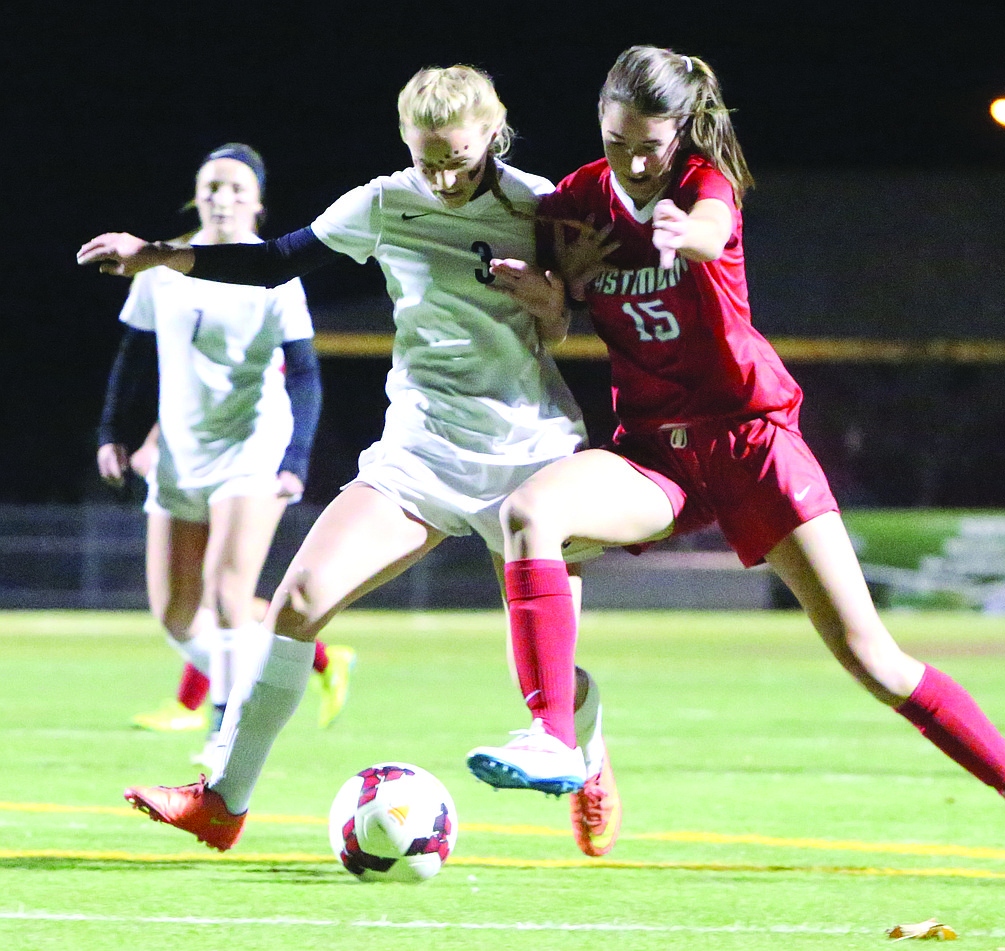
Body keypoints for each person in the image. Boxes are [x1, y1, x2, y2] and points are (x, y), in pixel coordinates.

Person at [464, 46, 1005, 878]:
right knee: (528, 516)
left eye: (649, 144)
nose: (632, 158)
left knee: (872, 656)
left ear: (682, 132)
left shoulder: (702, 184)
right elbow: (557, 324)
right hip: (655, 452)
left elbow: (712, 226)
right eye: (616, 138)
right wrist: (554, 302)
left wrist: (683, 234)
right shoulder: (577, 203)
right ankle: (559, 737)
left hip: (752, 441)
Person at [77, 66, 620, 857]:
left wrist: (555, 306)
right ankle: (221, 802)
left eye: (458, 160)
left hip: (527, 457)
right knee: (298, 599)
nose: (441, 178)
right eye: (426, 158)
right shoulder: (383, 201)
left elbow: (587, 311)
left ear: (492, 135)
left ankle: (588, 756)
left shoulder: (541, 204)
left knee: (546, 674)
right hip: (418, 452)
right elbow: (273, 261)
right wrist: (158, 254)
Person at [95, 144, 356, 765]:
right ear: (197, 195)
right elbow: (133, 358)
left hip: (252, 446)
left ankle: (225, 731)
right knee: (177, 615)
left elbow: (305, 377)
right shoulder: (160, 266)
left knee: (227, 593)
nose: (222, 197)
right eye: (212, 186)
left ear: (258, 203)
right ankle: (317, 658)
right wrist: (112, 433)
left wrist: (294, 460)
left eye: (237, 188)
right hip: (180, 454)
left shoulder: (274, 276)